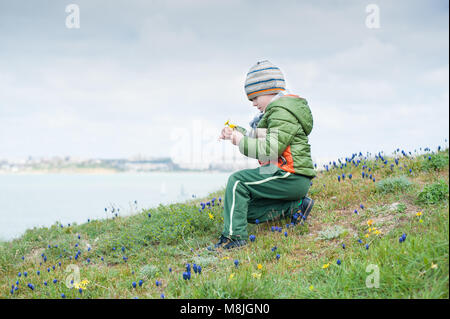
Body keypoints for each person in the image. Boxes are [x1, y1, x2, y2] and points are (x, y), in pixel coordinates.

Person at [217, 60, 316, 249]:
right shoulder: (273, 113)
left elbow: (270, 149)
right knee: (243, 208)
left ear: (270, 89)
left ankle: (233, 237)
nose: (253, 103)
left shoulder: (282, 112)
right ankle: (296, 207)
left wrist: (240, 140)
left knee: (237, 182)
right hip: (281, 175)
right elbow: (261, 140)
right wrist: (235, 133)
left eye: (255, 98)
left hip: (290, 175)